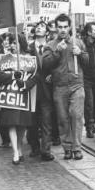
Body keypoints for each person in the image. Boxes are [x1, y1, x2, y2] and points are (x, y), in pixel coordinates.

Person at [42, 14, 89, 160]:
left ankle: (77, 148)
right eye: (60, 27)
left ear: (69, 27)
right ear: (56, 28)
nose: (63, 30)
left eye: (65, 26)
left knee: (76, 115)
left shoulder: (78, 42)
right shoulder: (50, 45)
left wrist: (80, 53)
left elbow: (87, 63)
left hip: (76, 85)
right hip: (60, 86)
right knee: (63, 119)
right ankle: (67, 147)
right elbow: (45, 65)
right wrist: (57, 52)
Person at [0, 40, 37, 164]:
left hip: (24, 97)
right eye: (11, 43)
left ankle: (19, 147)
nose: (12, 45)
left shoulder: (30, 59)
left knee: (22, 125)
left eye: (15, 43)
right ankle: (15, 152)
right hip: (9, 97)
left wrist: (24, 84)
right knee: (12, 124)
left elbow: (35, 77)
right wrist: (13, 75)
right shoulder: (4, 59)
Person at [26, 22, 55, 161]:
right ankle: (34, 147)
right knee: (31, 121)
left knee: (46, 121)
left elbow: (58, 64)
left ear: (47, 32)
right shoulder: (27, 47)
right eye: (37, 26)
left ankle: (46, 150)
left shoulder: (52, 47)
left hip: (46, 90)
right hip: (31, 89)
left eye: (42, 26)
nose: (39, 28)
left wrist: (53, 75)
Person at [82, 22, 95, 138]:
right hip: (86, 78)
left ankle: (92, 123)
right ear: (89, 32)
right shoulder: (82, 44)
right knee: (89, 104)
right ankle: (89, 127)